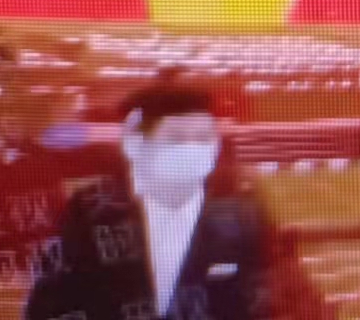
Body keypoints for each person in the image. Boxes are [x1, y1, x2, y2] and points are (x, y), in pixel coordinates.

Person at [24, 84, 273, 320]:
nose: (194, 150)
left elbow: (265, 299)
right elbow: (52, 301)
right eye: (177, 138)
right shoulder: (90, 211)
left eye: (204, 138)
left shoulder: (239, 216)